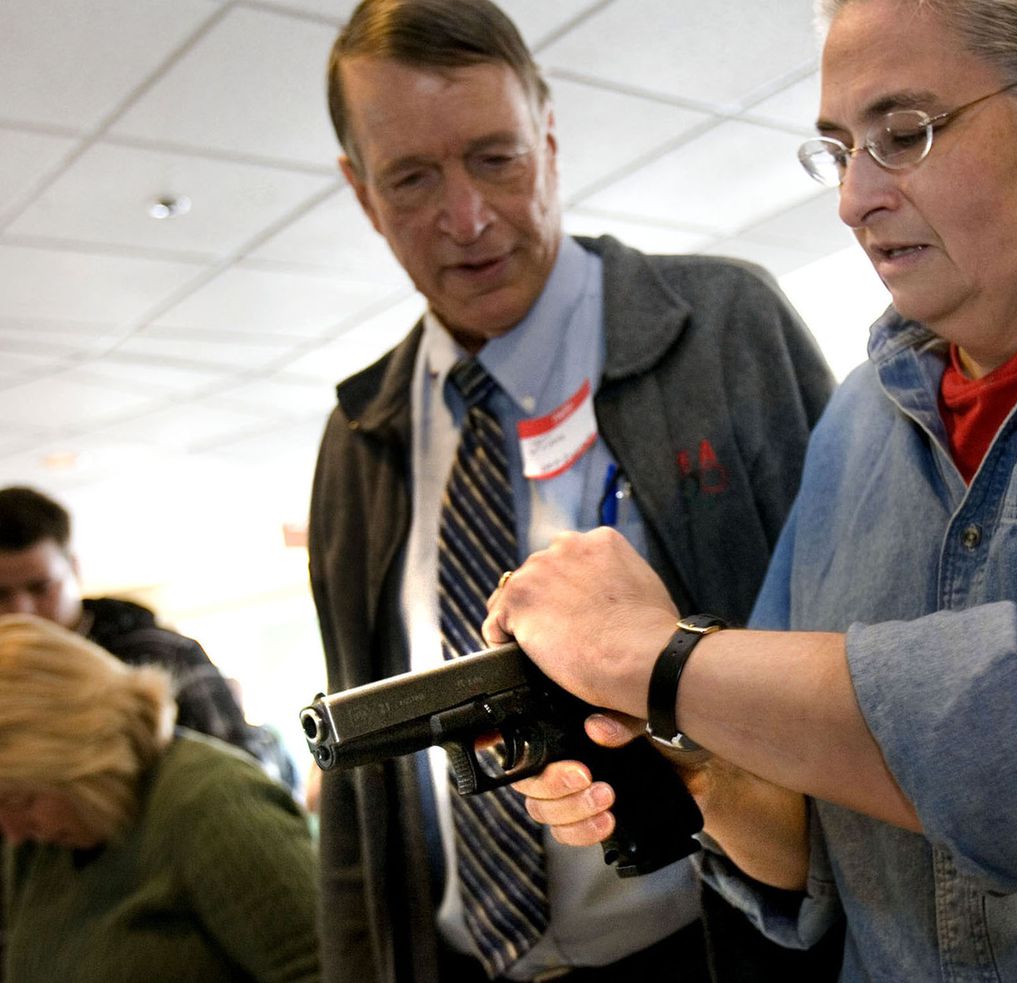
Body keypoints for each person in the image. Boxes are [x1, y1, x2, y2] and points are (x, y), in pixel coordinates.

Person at [488, 0, 1017, 979]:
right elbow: (803, 846)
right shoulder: (855, 424)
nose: (851, 197)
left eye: (903, 134)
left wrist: (657, 659)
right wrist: (678, 739)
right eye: (838, 148)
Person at [307, 1, 836, 981]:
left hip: (716, 946)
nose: (464, 218)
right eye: (412, 178)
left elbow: (851, 652)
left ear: (548, 137)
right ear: (360, 192)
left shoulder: (723, 329)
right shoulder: (358, 438)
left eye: (495, 158)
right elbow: (361, 801)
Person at [0, 614, 320, 982]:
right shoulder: (41, 847)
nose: (13, 832)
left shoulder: (213, 802)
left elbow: (327, 968)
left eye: (22, 801)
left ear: (78, 756)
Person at [0, 486, 282, 774]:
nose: (22, 611)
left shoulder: (164, 655)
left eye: (41, 588)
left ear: (73, 569)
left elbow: (244, 775)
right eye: (1, 594)